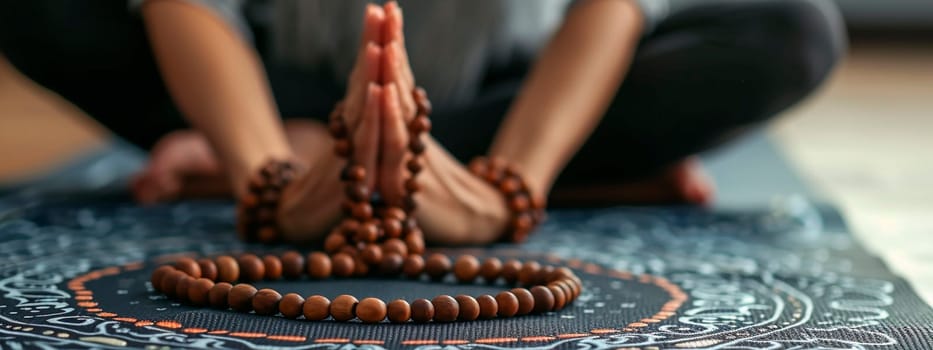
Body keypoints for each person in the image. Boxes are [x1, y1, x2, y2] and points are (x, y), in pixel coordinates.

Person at [0, 0, 845, 244]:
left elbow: (612, 7)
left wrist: (505, 193)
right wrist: (272, 180)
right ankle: (320, 142)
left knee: (793, 34)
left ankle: (368, 153)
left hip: (515, 94)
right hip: (269, 78)